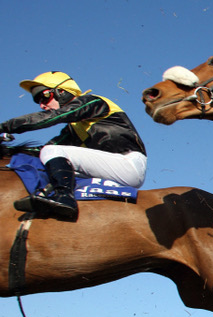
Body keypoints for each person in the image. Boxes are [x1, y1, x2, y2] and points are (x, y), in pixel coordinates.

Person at [0, 71, 147, 220]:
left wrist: (5, 127)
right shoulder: (73, 128)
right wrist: (8, 150)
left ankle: (64, 198)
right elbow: (41, 151)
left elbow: (53, 118)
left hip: (128, 164)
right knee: (48, 160)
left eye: (44, 97)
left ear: (62, 92)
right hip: (110, 168)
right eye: (37, 101)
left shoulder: (93, 102)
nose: (42, 105)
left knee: (52, 151)